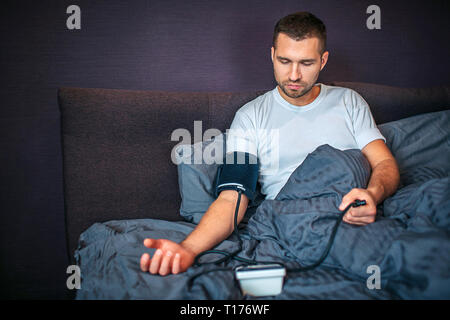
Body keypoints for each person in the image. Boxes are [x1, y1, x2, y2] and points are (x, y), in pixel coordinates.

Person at [140, 11, 400, 276]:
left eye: (306, 63)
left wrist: (372, 195)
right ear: (272, 55)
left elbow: (384, 163)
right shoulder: (249, 117)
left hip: (349, 214)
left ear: (323, 61)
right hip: (293, 219)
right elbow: (232, 198)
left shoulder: (349, 102)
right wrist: (188, 249)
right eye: (285, 61)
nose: (294, 75)